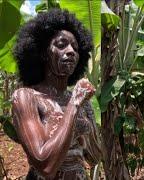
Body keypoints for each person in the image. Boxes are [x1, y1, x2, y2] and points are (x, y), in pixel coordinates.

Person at [12, 9, 101, 179]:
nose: (71, 51)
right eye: (61, 45)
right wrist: (74, 104)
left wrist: (89, 129)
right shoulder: (26, 97)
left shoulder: (82, 102)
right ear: (44, 54)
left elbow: (95, 157)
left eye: (75, 48)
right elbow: (46, 166)